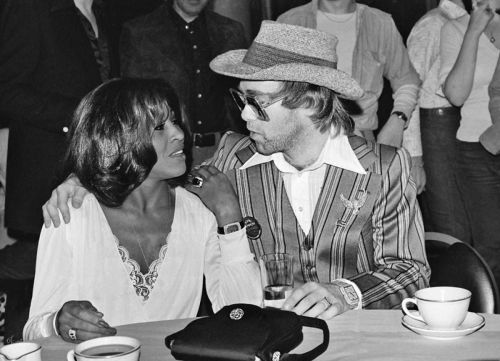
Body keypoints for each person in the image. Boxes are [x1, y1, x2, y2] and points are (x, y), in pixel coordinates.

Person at [44, 22, 430, 319]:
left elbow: (411, 270)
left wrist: (345, 293)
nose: (244, 114)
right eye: (241, 99)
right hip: (267, 346)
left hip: (361, 343)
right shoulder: (232, 158)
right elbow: (154, 172)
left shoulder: (383, 167)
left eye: (258, 102)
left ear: (309, 100)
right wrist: (82, 178)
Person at [23, 78, 261, 342]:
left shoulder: (199, 214)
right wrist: (58, 323)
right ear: (115, 138)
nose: (179, 134)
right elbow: (33, 330)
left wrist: (229, 216)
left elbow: (243, 316)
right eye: (159, 127)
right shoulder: (72, 215)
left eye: (175, 122)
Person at [0, 0, 119, 343]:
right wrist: (76, 116)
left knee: (88, 276)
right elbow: (7, 91)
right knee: (43, 282)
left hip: (96, 168)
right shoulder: (30, 8)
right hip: (47, 168)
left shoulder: (106, 11)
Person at [276, 0, 425, 193]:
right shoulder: (290, 22)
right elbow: (272, 90)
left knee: (364, 217)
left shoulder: (380, 23)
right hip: (302, 147)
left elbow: (407, 80)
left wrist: (398, 121)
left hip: (363, 144)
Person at [120, 0, 247, 165]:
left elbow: (243, 93)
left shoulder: (231, 30)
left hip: (227, 150)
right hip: (167, 152)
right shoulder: (139, 32)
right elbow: (133, 104)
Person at [440, 0, 500, 287]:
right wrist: (474, 31)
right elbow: (456, 95)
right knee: (490, 247)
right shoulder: (455, 28)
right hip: (476, 148)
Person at [406, 0, 470, 241]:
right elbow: (408, 89)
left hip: (462, 124)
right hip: (437, 124)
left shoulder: (472, 21)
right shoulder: (433, 23)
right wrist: (414, 158)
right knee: (451, 223)